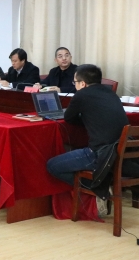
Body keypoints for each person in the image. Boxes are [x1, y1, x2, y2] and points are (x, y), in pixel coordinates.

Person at [46, 64, 129, 213]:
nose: (75, 85)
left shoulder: (81, 95)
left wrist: (85, 118)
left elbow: (69, 118)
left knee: (52, 165)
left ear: (82, 84)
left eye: (75, 82)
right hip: (119, 154)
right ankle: (101, 185)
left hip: (100, 154)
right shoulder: (112, 94)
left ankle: (98, 188)